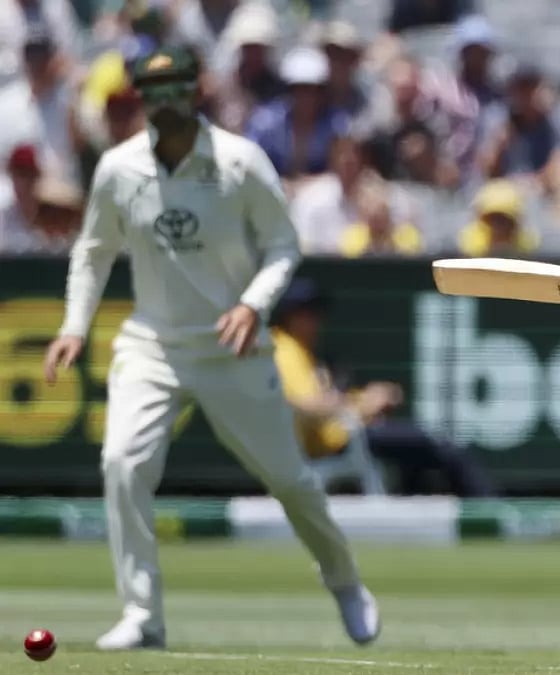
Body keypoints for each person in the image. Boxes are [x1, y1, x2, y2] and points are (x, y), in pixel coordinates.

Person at [40, 47, 380, 651]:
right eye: (154, 90)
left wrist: (253, 304)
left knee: (291, 480)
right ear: (141, 99)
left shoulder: (239, 162)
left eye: (176, 88)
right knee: (121, 464)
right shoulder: (119, 169)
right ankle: (143, 614)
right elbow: (92, 253)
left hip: (233, 348)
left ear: (197, 93)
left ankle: (345, 581)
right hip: (153, 347)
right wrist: (73, 326)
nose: (165, 100)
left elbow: (282, 246)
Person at [271, 278, 495, 497]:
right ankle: (492, 513)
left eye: (318, 312)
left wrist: (365, 398)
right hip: (339, 442)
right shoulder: (285, 350)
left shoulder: (300, 350)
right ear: (290, 315)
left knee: (421, 453)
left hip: (345, 437)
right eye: (308, 312)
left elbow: (321, 400)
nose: (317, 320)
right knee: (440, 445)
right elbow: (308, 405)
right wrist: (366, 402)